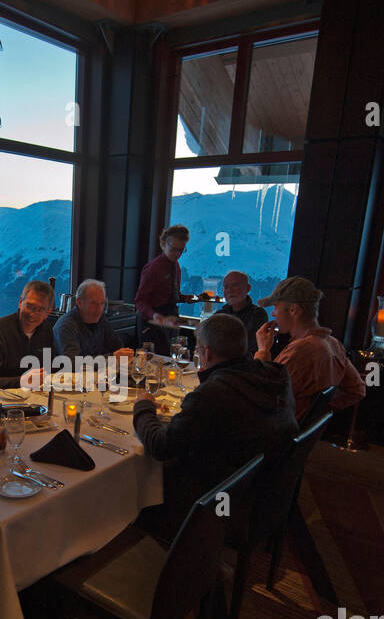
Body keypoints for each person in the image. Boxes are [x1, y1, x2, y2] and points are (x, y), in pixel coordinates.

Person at [134, 312, 298, 537]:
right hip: (263, 491)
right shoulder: (276, 375)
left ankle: (187, 557)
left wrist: (143, 407)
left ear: (207, 352)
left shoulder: (214, 394)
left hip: (217, 502)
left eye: (199, 350)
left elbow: (160, 446)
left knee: (138, 489)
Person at [252, 276, 365, 421]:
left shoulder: (301, 351)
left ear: (293, 310)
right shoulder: (333, 343)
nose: (273, 313)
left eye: (276, 308)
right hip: (295, 432)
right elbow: (357, 390)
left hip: (274, 434)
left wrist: (263, 351)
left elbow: (259, 396)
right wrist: (315, 413)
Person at [0, 280, 55, 389]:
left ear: (48, 312)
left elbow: (47, 370)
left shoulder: (46, 330)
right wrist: (21, 381)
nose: (33, 313)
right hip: (2, 400)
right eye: (29, 306)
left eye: (40, 309)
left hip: (37, 396)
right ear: (20, 302)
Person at [134, 225, 188, 353]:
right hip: (152, 323)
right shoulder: (153, 268)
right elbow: (139, 300)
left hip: (171, 319)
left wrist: (189, 298)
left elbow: (172, 295)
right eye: (174, 249)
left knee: (172, 357)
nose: (177, 254)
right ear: (163, 244)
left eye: (181, 250)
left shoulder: (176, 266)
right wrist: (155, 315)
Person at [53, 279, 134, 361]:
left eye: (102, 303)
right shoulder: (66, 326)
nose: (99, 309)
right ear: (79, 302)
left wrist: (124, 353)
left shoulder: (101, 320)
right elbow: (73, 363)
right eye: (93, 303)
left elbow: (117, 347)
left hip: (97, 372)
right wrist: (111, 358)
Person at [216, 270, 267, 355]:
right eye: (226, 287)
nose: (230, 290)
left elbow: (245, 346)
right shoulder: (220, 314)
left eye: (235, 285)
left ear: (248, 288)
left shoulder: (258, 315)